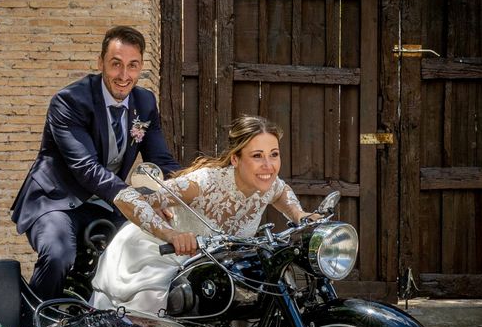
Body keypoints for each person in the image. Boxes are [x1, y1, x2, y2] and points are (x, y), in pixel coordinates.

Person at [11, 26, 181, 300]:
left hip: (103, 203)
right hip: (55, 200)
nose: (124, 75)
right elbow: (86, 168)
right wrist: (135, 198)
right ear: (100, 62)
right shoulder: (69, 101)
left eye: (132, 66)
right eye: (116, 64)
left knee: (146, 246)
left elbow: (160, 160)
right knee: (58, 255)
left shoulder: (145, 102)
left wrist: (194, 185)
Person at [90, 115, 317, 313]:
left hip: (210, 270)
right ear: (236, 159)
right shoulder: (205, 183)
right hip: (158, 255)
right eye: (257, 156)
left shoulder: (267, 185)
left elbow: (281, 192)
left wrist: (300, 214)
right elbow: (128, 197)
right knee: (156, 307)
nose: (268, 165)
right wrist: (171, 234)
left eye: (274, 154)